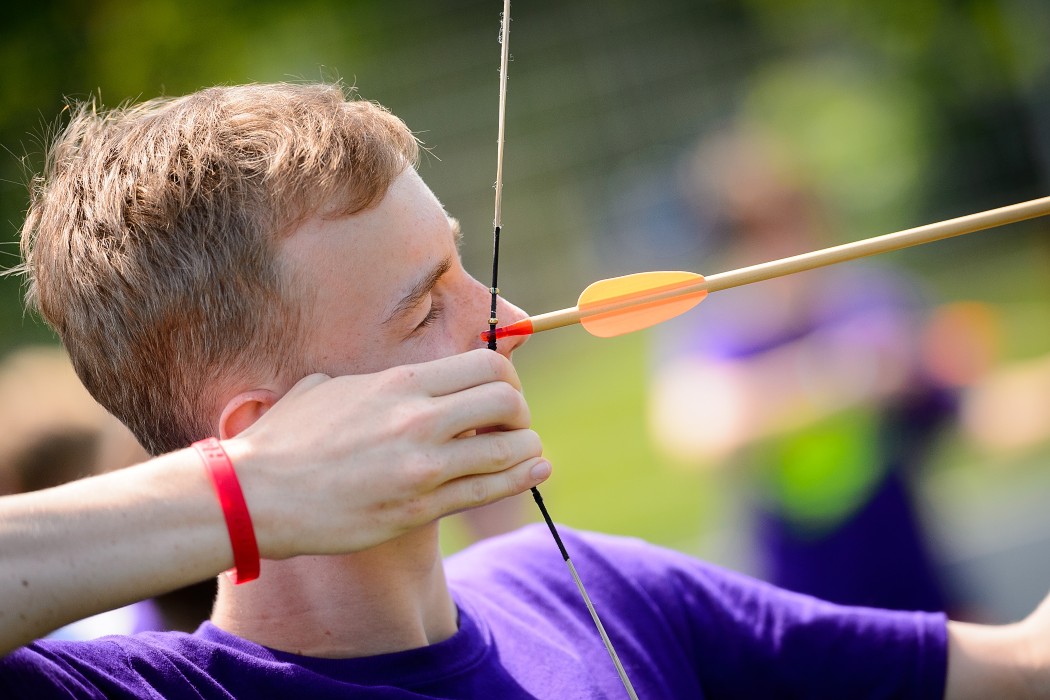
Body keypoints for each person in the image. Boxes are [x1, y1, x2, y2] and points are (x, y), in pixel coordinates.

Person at [0, 82, 1046, 698]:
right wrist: (249, 494)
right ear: (271, 432)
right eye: (425, 307)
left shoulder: (590, 591)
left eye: (466, 266)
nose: (508, 319)